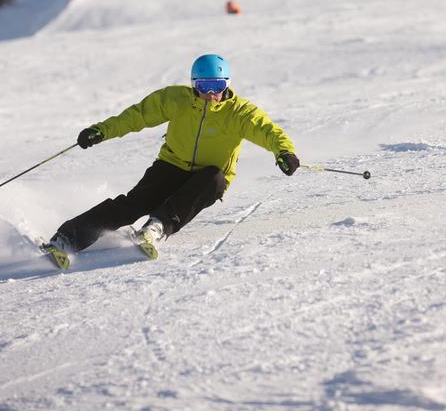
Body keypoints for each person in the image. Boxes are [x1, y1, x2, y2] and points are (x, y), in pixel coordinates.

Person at [43, 54, 300, 265]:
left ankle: (156, 228)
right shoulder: (176, 100)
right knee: (133, 204)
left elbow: (268, 131)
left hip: (206, 178)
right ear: (193, 85)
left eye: (218, 87)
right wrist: (102, 130)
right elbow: (137, 116)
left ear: (227, 85)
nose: (211, 94)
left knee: (214, 178)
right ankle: (66, 238)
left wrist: (284, 152)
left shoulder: (241, 113)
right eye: (204, 87)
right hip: (171, 165)